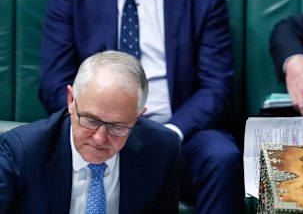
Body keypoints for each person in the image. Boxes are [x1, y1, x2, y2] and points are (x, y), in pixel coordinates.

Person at [39, 0, 244, 213]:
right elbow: (54, 83)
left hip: (180, 134)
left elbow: (216, 87)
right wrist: (98, 128)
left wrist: (171, 134)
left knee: (222, 155)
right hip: (96, 133)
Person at [0, 51, 181, 213]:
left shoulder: (163, 150)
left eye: (117, 126)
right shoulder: (20, 153)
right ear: (71, 100)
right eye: (91, 120)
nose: (100, 138)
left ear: (138, 116)